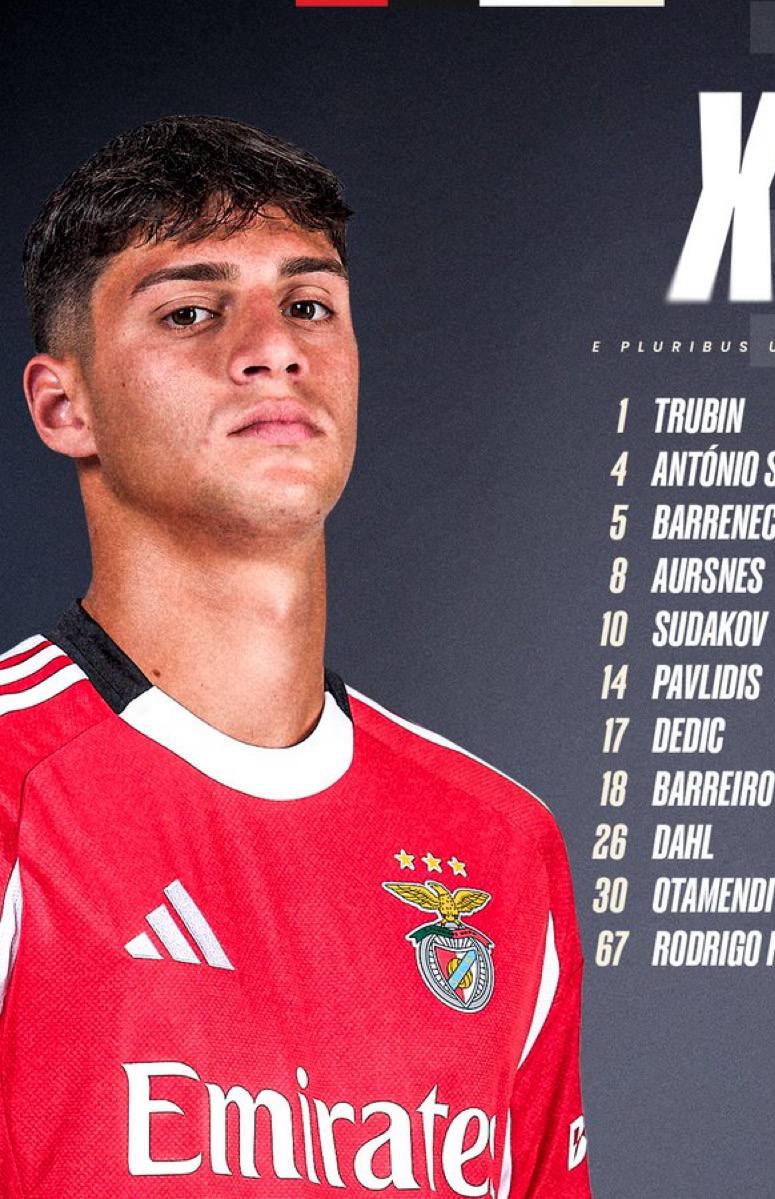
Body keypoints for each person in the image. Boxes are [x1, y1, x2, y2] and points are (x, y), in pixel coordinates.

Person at [0, 115, 591, 1197]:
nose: (273, 348)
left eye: (308, 304)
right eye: (191, 310)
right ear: (63, 404)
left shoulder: (500, 843)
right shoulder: (16, 789)